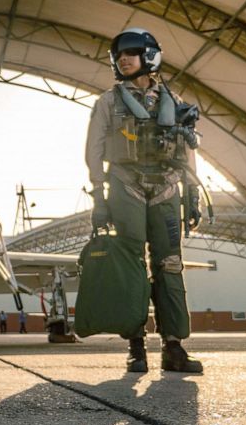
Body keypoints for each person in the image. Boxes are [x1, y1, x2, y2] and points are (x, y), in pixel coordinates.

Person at [85, 27, 204, 374]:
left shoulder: (175, 102)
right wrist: (98, 196)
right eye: (119, 55)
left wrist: (193, 193)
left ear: (148, 56)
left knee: (170, 264)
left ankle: (174, 346)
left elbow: (188, 148)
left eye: (131, 52)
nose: (123, 59)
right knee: (131, 266)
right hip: (126, 186)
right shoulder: (108, 102)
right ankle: (135, 347)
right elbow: (93, 151)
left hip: (167, 188)